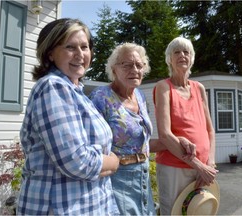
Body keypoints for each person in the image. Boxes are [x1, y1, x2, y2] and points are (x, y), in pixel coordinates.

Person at [17, 18, 120, 215]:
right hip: (60, 207)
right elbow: (77, 161)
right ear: (50, 53)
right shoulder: (52, 87)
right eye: (70, 47)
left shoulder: (77, 92)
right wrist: (113, 162)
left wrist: (100, 162)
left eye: (85, 46)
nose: (80, 54)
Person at [153, 37, 218, 215]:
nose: (182, 55)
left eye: (186, 52)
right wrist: (199, 166)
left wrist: (210, 164)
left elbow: (210, 130)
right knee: (174, 211)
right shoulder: (163, 87)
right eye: (177, 52)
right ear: (169, 59)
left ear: (192, 58)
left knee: (197, 212)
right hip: (174, 167)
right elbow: (165, 135)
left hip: (203, 167)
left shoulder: (199, 88)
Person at [89, 43, 157, 215]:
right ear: (114, 70)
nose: (134, 69)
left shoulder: (140, 96)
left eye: (139, 65)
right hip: (116, 180)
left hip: (143, 175)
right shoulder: (100, 97)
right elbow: (92, 145)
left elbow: (141, 141)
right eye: (126, 65)